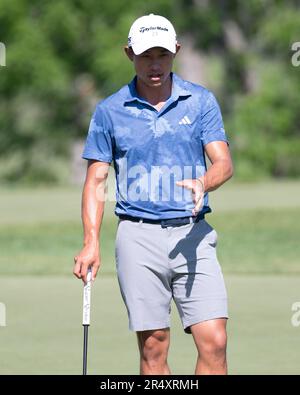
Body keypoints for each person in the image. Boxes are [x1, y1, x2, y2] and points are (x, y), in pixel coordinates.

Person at [73, 13, 234, 375]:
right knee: (153, 347)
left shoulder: (200, 101)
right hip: (137, 235)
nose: (155, 64)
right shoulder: (110, 111)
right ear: (130, 54)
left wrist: (203, 183)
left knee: (215, 340)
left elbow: (223, 162)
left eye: (162, 54)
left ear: (176, 51)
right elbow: (96, 179)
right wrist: (91, 241)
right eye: (146, 55)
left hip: (193, 234)